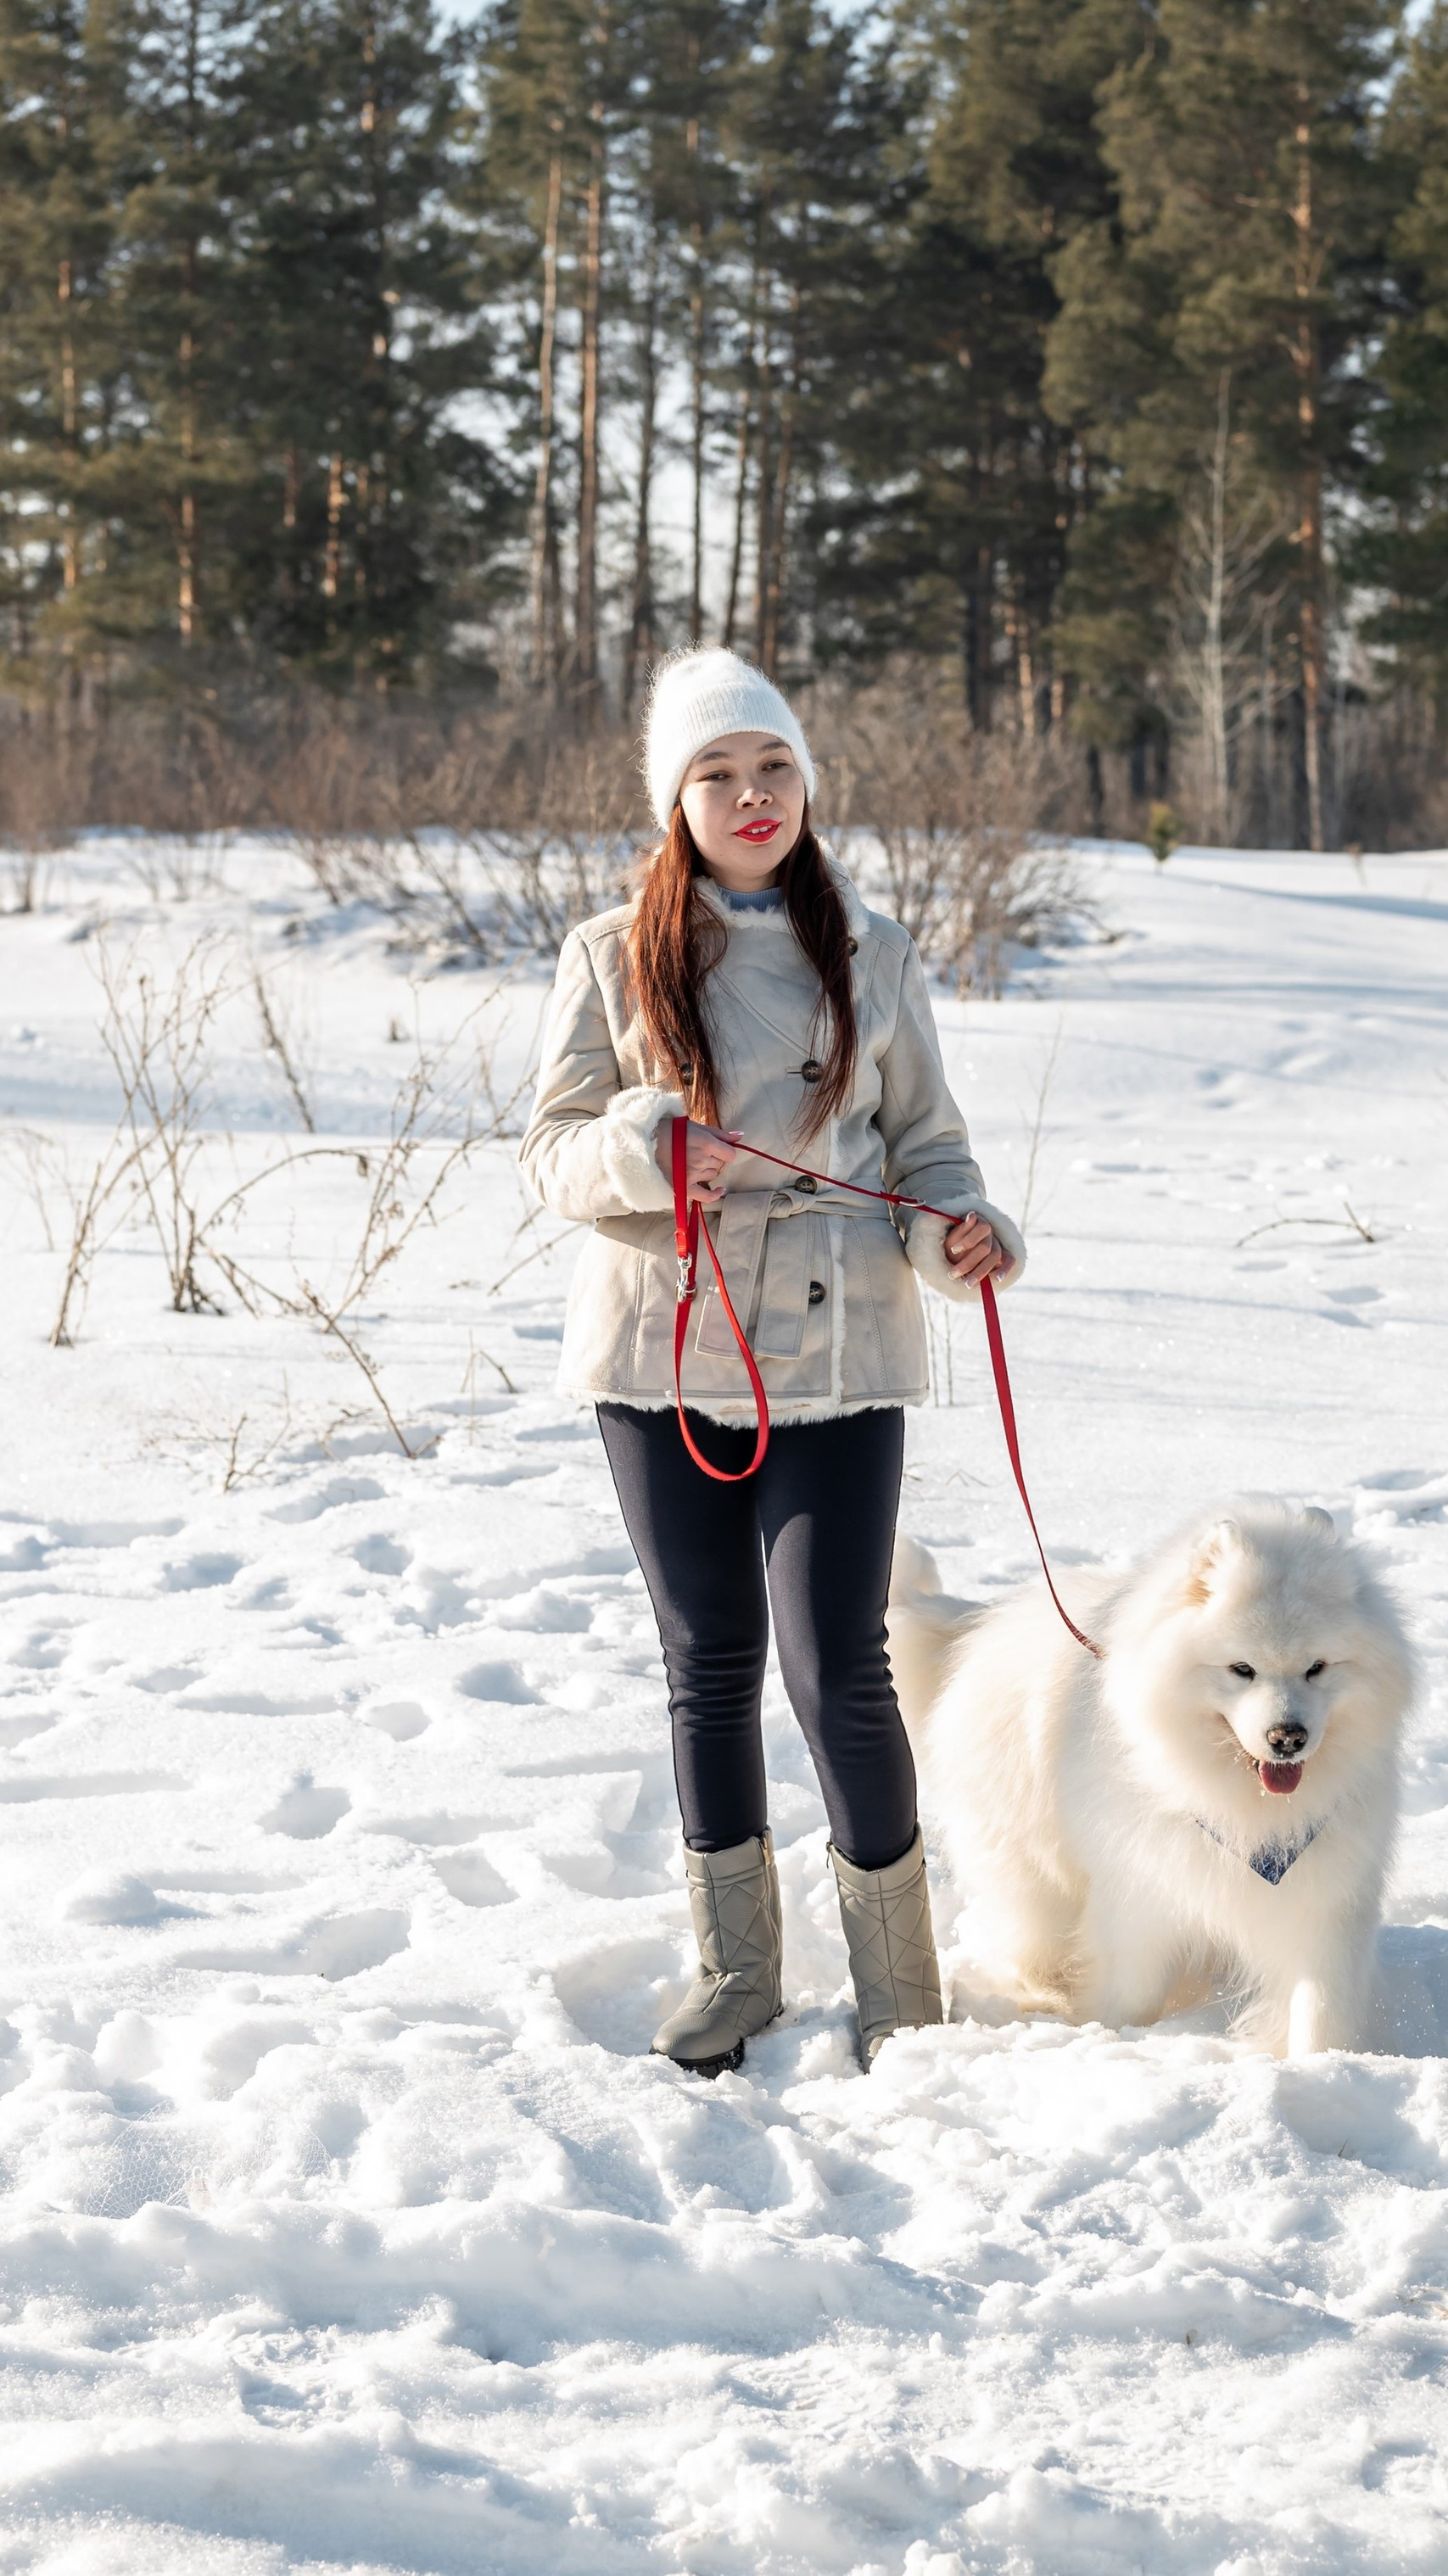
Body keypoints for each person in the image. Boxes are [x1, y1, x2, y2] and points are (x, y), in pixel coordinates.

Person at [520, 647, 1025, 2074]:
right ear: (674, 802)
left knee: (839, 1663)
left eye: (775, 767)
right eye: (719, 774)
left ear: (806, 782)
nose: (754, 795)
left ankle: (900, 1989)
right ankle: (737, 1971)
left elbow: (927, 1149)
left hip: (840, 1348)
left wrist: (962, 1231)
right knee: (708, 1659)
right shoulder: (610, 953)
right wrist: (644, 1146)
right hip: (662, 1345)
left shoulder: (875, 950)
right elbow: (550, 1151)